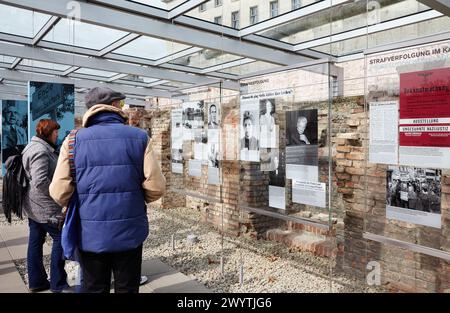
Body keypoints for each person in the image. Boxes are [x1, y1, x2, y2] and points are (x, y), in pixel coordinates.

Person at [49, 87, 166, 293]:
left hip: (90, 233)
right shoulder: (139, 137)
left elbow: (58, 191)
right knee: (127, 288)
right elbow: (156, 186)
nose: (123, 107)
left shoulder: (73, 140)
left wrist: (78, 198)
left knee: (94, 288)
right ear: (112, 106)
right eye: (121, 103)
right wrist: (136, 198)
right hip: (130, 230)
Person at [22, 119, 69, 293]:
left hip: (33, 206)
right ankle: (58, 283)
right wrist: (59, 194)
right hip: (45, 207)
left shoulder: (32, 146)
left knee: (35, 241)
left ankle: (37, 281)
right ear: (48, 133)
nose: (58, 135)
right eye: (56, 132)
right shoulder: (41, 151)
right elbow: (40, 180)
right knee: (60, 239)